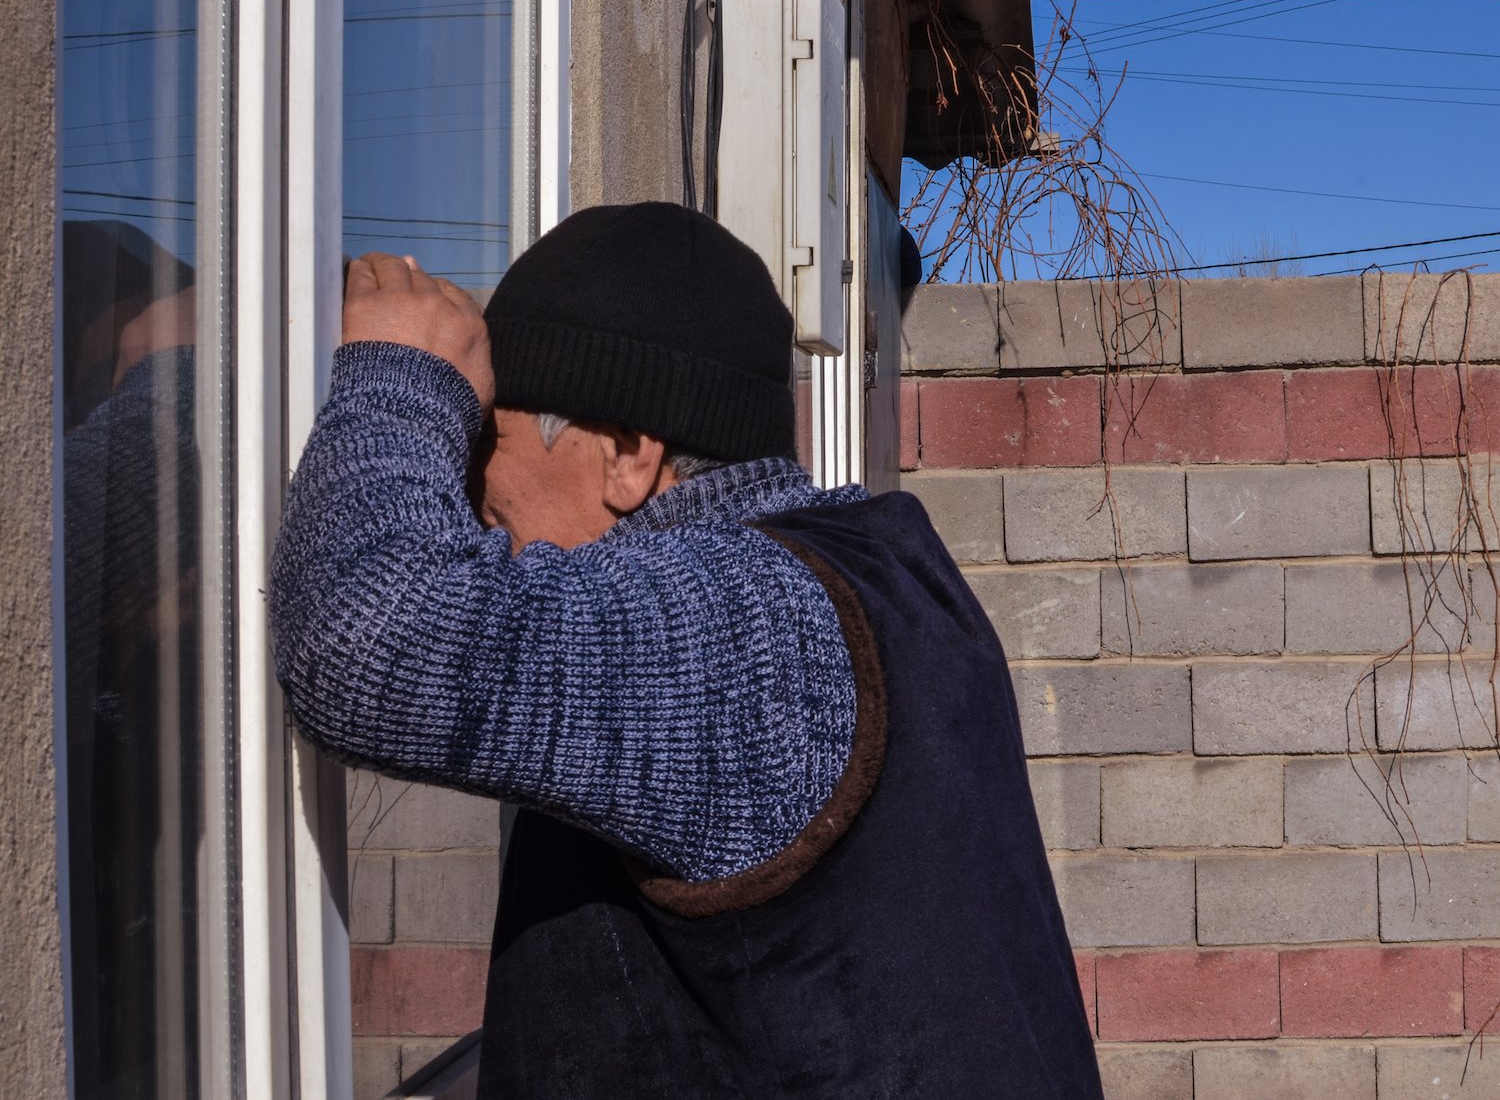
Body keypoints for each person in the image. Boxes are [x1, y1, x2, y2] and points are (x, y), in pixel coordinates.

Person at [270, 202, 1102, 1098]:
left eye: (484, 441)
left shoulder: (749, 637)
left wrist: (402, 379)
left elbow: (367, 640)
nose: (467, 494)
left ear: (628, 454)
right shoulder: (877, 575)